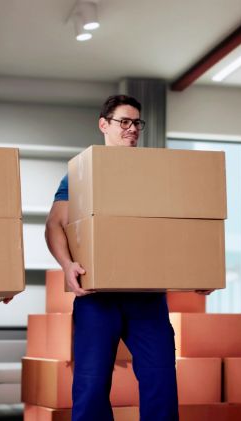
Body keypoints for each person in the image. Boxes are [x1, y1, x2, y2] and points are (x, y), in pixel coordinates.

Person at [45, 95, 179, 421]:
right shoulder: (80, 174)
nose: (132, 129)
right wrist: (67, 265)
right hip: (97, 296)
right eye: (125, 122)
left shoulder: (155, 174)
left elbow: (179, 229)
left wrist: (197, 272)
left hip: (147, 297)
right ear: (104, 124)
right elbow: (55, 225)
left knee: (161, 382)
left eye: (137, 123)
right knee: (90, 387)